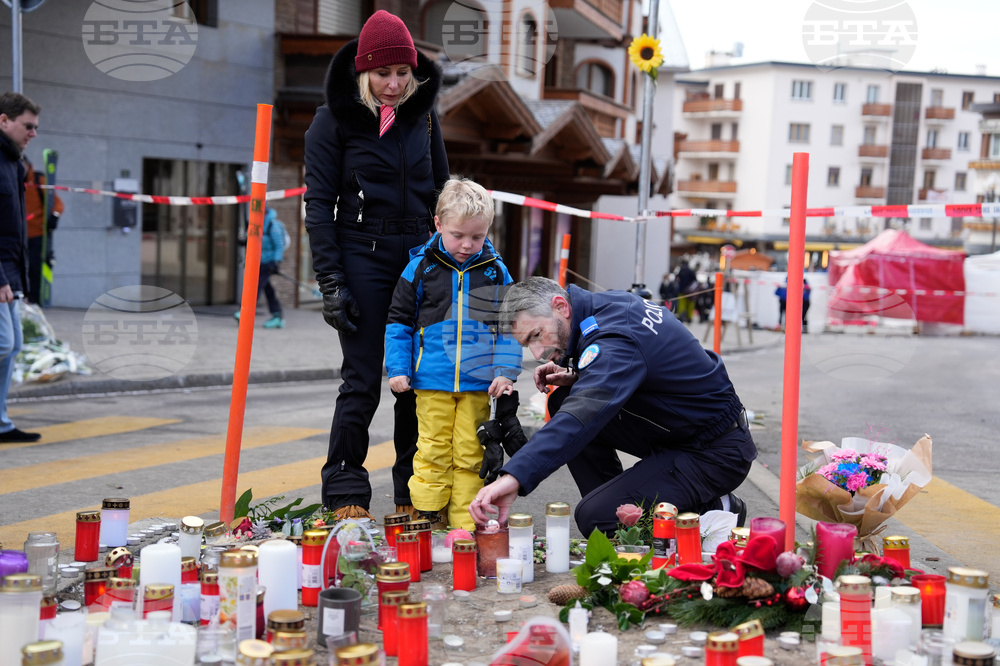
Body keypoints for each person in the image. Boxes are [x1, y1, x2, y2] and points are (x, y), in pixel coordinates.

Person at [469, 277, 757, 536]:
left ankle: (712, 508)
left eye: (536, 335)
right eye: (527, 345)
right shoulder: (608, 307)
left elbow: (582, 413)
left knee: (594, 517)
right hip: (683, 431)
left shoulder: (618, 337)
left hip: (714, 453)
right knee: (561, 399)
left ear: (560, 306)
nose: (538, 353)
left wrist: (515, 476)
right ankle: (618, 506)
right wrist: (580, 377)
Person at [303, 10, 449, 520]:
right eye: (383, 74)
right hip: (360, 255)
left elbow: (442, 196)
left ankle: (414, 491)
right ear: (363, 72)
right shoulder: (332, 121)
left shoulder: (425, 118)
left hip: (418, 261)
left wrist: (451, 260)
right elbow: (319, 205)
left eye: (403, 73)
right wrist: (330, 280)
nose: (394, 84)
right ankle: (345, 490)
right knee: (363, 378)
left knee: (416, 381)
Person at [384, 178, 522, 530]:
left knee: (470, 453)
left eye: (477, 237)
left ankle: (465, 524)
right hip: (431, 380)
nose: (467, 244)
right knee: (431, 449)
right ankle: (428, 515)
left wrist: (506, 370)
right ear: (439, 224)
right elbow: (399, 321)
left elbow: (508, 325)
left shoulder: (495, 270)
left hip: (479, 384)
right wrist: (398, 367)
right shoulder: (420, 268)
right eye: (459, 235)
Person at [0, 92, 42, 443]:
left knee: (12, 347)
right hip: (0, 275)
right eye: (27, 126)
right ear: (4, 121)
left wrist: (19, 279)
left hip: (11, 275)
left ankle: (0, 424)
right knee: (3, 343)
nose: (33, 133)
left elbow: (14, 225)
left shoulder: (14, 164)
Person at [235, 206, 286, 328]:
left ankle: (245, 312)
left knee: (255, 287)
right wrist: (244, 241)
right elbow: (256, 241)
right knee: (268, 289)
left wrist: (276, 262)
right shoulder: (257, 226)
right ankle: (277, 316)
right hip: (258, 262)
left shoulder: (273, 226)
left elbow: (279, 245)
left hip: (268, 263)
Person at [23, 155, 63, 305]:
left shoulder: (39, 181)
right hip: (18, 236)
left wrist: (54, 217)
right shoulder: (12, 179)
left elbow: (58, 204)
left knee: (34, 269)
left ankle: (34, 301)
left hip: (37, 236)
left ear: (28, 165)